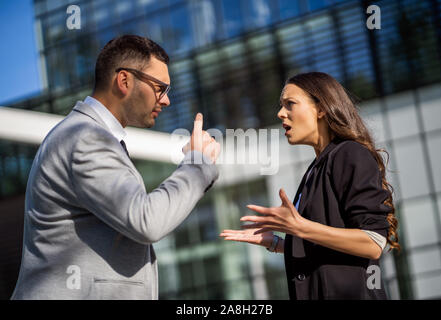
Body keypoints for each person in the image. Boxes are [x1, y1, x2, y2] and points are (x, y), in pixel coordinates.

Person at [11, 35, 220, 300]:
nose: (166, 100)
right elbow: (147, 221)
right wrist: (196, 164)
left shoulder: (87, 136)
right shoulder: (85, 138)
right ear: (124, 81)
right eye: (160, 88)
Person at [220, 72, 400, 300]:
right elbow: (331, 247)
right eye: (281, 105)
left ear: (321, 109)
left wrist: (299, 228)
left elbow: (373, 242)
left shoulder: (350, 153)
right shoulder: (317, 167)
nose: (280, 113)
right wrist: (279, 243)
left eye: (290, 104)